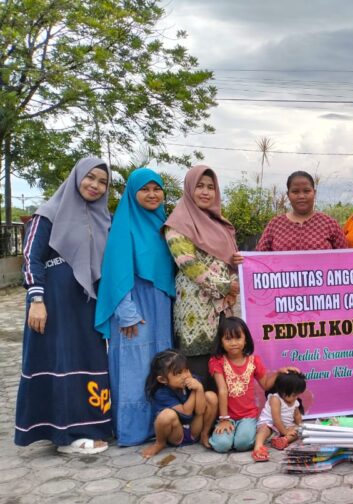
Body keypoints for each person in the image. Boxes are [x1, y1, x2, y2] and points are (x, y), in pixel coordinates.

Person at [15, 157, 113, 454]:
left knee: (89, 361)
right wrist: (37, 300)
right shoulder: (48, 214)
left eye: (102, 182)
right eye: (90, 178)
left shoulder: (101, 218)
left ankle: (91, 424)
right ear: (76, 177)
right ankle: (64, 436)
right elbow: (31, 258)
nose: (95, 186)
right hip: (54, 305)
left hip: (86, 305)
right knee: (61, 362)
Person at [95, 168, 176, 446]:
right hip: (133, 305)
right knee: (135, 365)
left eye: (157, 189)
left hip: (160, 304)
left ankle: (160, 425)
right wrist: (127, 313)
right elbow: (116, 271)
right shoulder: (124, 224)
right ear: (133, 192)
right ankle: (132, 429)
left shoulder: (163, 222)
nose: (152, 194)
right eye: (145, 189)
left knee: (160, 364)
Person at [164, 166, 240, 386]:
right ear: (189, 189)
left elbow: (229, 262)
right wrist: (226, 286)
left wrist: (235, 270)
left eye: (210, 187)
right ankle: (199, 418)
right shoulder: (177, 224)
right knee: (198, 370)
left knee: (223, 365)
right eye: (199, 186)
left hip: (223, 308)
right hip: (194, 309)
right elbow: (189, 264)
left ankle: (222, 418)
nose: (206, 192)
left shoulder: (220, 224)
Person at [208, 317, 296, 454]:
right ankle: (225, 435)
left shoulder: (254, 361)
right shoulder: (217, 361)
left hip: (247, 416)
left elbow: (266, 385)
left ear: (246, 340)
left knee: (242, 444)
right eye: (228, 339)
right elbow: (222, 390)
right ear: (221, 341)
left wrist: (278, 373)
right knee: (222, 446)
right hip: (226, 416)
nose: (233, 343)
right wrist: (224, 420)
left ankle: (239, 434)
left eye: (238, 338)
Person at [141, 349, 218, 458]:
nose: (185, 376)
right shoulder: (161, 392)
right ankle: (160, 443)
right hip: (176, 435)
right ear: (163, 379)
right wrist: (194, 392)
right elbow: (186, 413)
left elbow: (200, 411)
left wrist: (199, 389)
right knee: (167, 414)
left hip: (194, 429)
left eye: (186, 370)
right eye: (178, 373)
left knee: (211, 396)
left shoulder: (194, 381)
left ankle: (204, 434)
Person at [256, 171, 346, 251]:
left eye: (306, 191)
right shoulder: (275, 224)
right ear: (288, 195)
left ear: (314, 193)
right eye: (295, 192)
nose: (301, 196)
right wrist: (242, 260)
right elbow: (257, 259)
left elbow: (346, 258)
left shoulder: (329, 224)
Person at [252, 371, 306, 461]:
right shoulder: (275, 399)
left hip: (285, 427)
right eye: (294, 395)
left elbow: (297, 415)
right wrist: (285, 431)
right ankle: (258, 447)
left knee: (299, 431)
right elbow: (276, 419)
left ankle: (283, 441)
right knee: (264, 429)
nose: (296, 397)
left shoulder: (295, 401)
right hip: (270, 424)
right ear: (283, 392)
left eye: (297, 394)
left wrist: (300, 426)